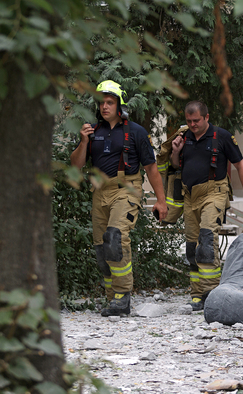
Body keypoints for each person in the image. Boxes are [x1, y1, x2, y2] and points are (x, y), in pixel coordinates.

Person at [70, 80, 167, 317]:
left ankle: (123, 297)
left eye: (110, 102)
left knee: (115, 237)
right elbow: (76, 165)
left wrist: (161, 201)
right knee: (102, 248)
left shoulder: (136, 132)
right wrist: (83, 141)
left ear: (119, 104)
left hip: (126, 190)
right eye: (102, 103)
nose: (105, 107)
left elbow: (151, 168)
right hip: (99, 193)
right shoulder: (92, 132)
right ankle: (112, 297)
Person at [170, 101, 243, 311]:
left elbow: (240, 165)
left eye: (196, 121)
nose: (192, 125)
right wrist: (175, 151)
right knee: (192, 246)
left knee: (207, 240)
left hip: (214, 192)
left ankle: (212, 293)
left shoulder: (222, 137)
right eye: (189, 121)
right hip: (190, 195)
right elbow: (175, 166)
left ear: (206, 118)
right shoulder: (184, 137)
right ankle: (196, 293)